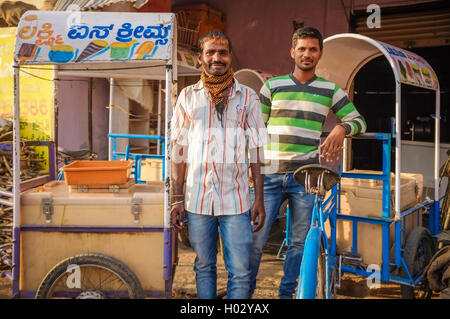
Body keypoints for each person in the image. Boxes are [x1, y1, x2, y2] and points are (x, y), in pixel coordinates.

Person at [249, 26, 367, 299]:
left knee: (299, 244)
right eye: (301, 48)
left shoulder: (329, 90)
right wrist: (248, 172)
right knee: (254, 241)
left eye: (313, 49)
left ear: (320, 54)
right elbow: (253, 131)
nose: (307, 54)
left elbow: (359, 120)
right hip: (269, 176)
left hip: (306, 177)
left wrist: (341, 129)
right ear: (292, 52)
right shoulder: (272, 86)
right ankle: (245, 293)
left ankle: (286, 294)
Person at [170, 31, 268, 299]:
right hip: (197, 200)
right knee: (203, 266)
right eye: (210, 52)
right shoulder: (187, 97)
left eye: (222, 52)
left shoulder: (248, 97)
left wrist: (258, 198)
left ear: (230, 56)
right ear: (200, 57)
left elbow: (258, 150)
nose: (217, 58)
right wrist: (176, 199)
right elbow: (178, 151)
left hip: (236, 201)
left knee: (240, 269)